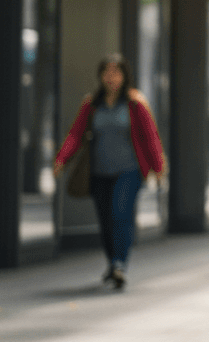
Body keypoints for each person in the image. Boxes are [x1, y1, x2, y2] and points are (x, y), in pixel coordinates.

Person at [53, 54, 165, 290]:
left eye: (116, 72)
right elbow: (76, 134)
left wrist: (158, 167)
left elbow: (150, 137)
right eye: (107, 72)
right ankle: (112, 262)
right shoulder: (92, 104)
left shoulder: (135, 104)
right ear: (101, 76)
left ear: (125, 76)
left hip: (129, 171)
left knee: (120, 213)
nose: (111, 77)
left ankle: (119, 264)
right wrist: (62, 158)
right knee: (105, 221)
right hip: (99, 172)